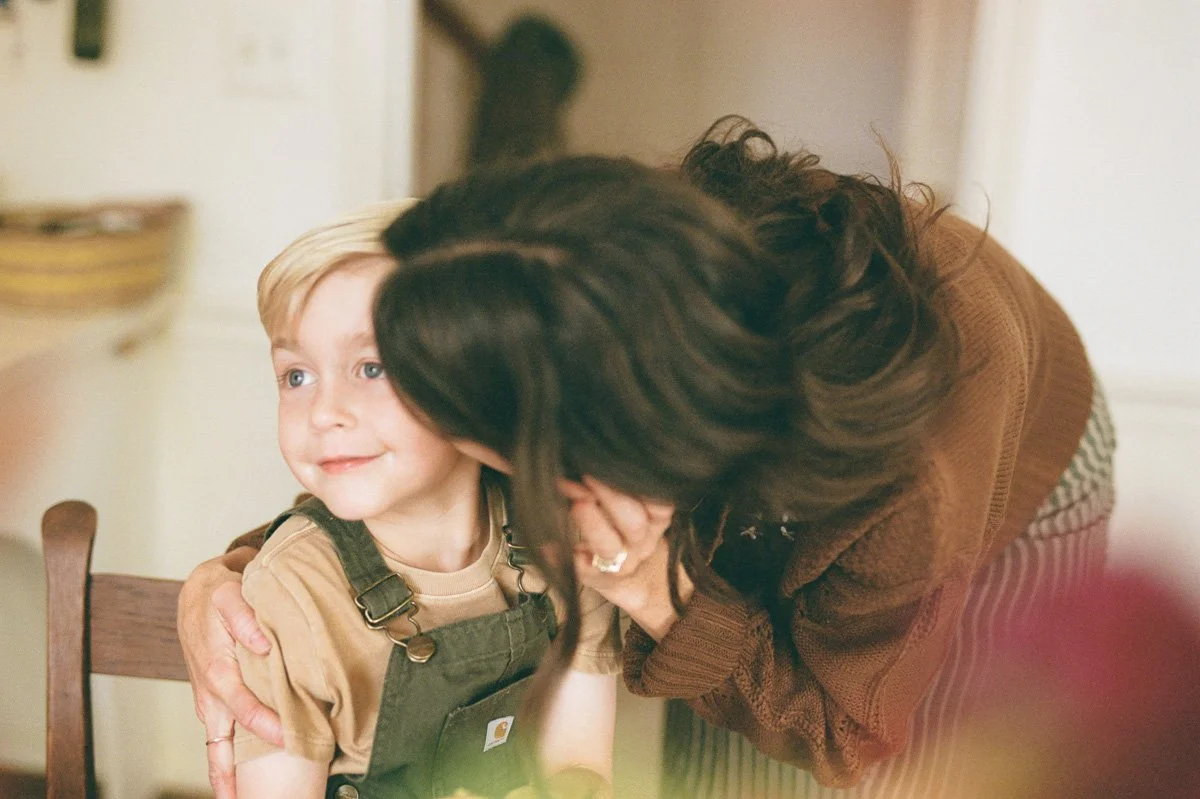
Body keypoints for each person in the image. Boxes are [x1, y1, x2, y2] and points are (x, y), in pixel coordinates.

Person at [180, 118, 1115, 798]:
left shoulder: (910, 491)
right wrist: (230, 575)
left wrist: (663, 598)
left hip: (1008, 482)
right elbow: (425, 473)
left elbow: (849, 734)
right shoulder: (611, 283)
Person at [195, 201, 621, 799]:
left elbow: (581, 769)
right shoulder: (288, 594)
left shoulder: (566, 541)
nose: (323, 412)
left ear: (481, 380)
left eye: (371, 367)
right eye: (297, 376)